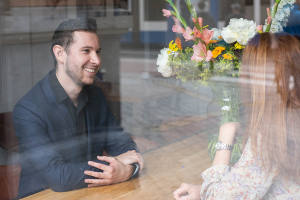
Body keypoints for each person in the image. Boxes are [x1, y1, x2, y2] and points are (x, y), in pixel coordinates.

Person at [13, 18, 143, 198]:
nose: (96, 60)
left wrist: (128, 170)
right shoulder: (28, 110)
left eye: (97, 52)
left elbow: (125, 147)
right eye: (86, 51)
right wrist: (115, 165)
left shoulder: (96, 96)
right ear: (60, 53)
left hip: (92, 194)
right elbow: (58, 177)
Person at [173, 32, 300, 199]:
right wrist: (203, 190)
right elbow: (260, 185)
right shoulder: (290, 125)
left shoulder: (272, 137)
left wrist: (225, 139)